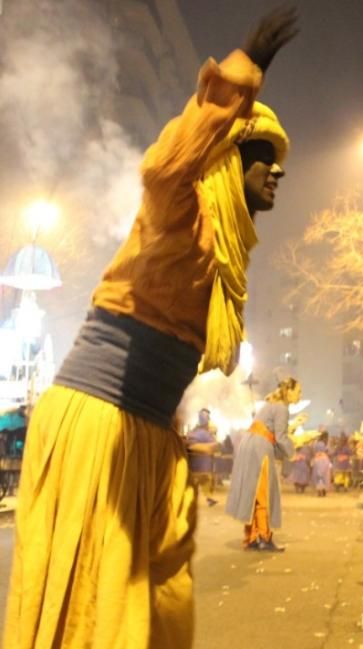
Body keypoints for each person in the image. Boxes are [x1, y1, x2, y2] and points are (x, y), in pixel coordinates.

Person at [2, 9, 297, 649]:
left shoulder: (227, 261)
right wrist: (239, 79)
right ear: (226, 161)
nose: (277, 171)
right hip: (98, 431)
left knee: (154, 613)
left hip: (146, 440)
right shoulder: (178, 217)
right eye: (262, 158)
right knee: (98, 618)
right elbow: (164, 166)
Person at [226, 377, 300, 551]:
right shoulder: (282, 407)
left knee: (253, 492)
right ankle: (264, 537)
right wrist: (292, 452)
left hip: (249, 444)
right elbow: (281, 438)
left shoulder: (270, 405)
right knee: (263, 493)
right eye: (298, 391)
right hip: (260, 448)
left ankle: (252, 536)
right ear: (288, 391)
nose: (299, 395)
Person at [187, 408, 221, 506]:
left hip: (194, 465)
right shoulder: (205, 434)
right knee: (205, 481)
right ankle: (208, 499)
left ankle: (198, 499)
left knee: (196, 483)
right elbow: (214, 445)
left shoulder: (193, 432)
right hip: (203, 464)